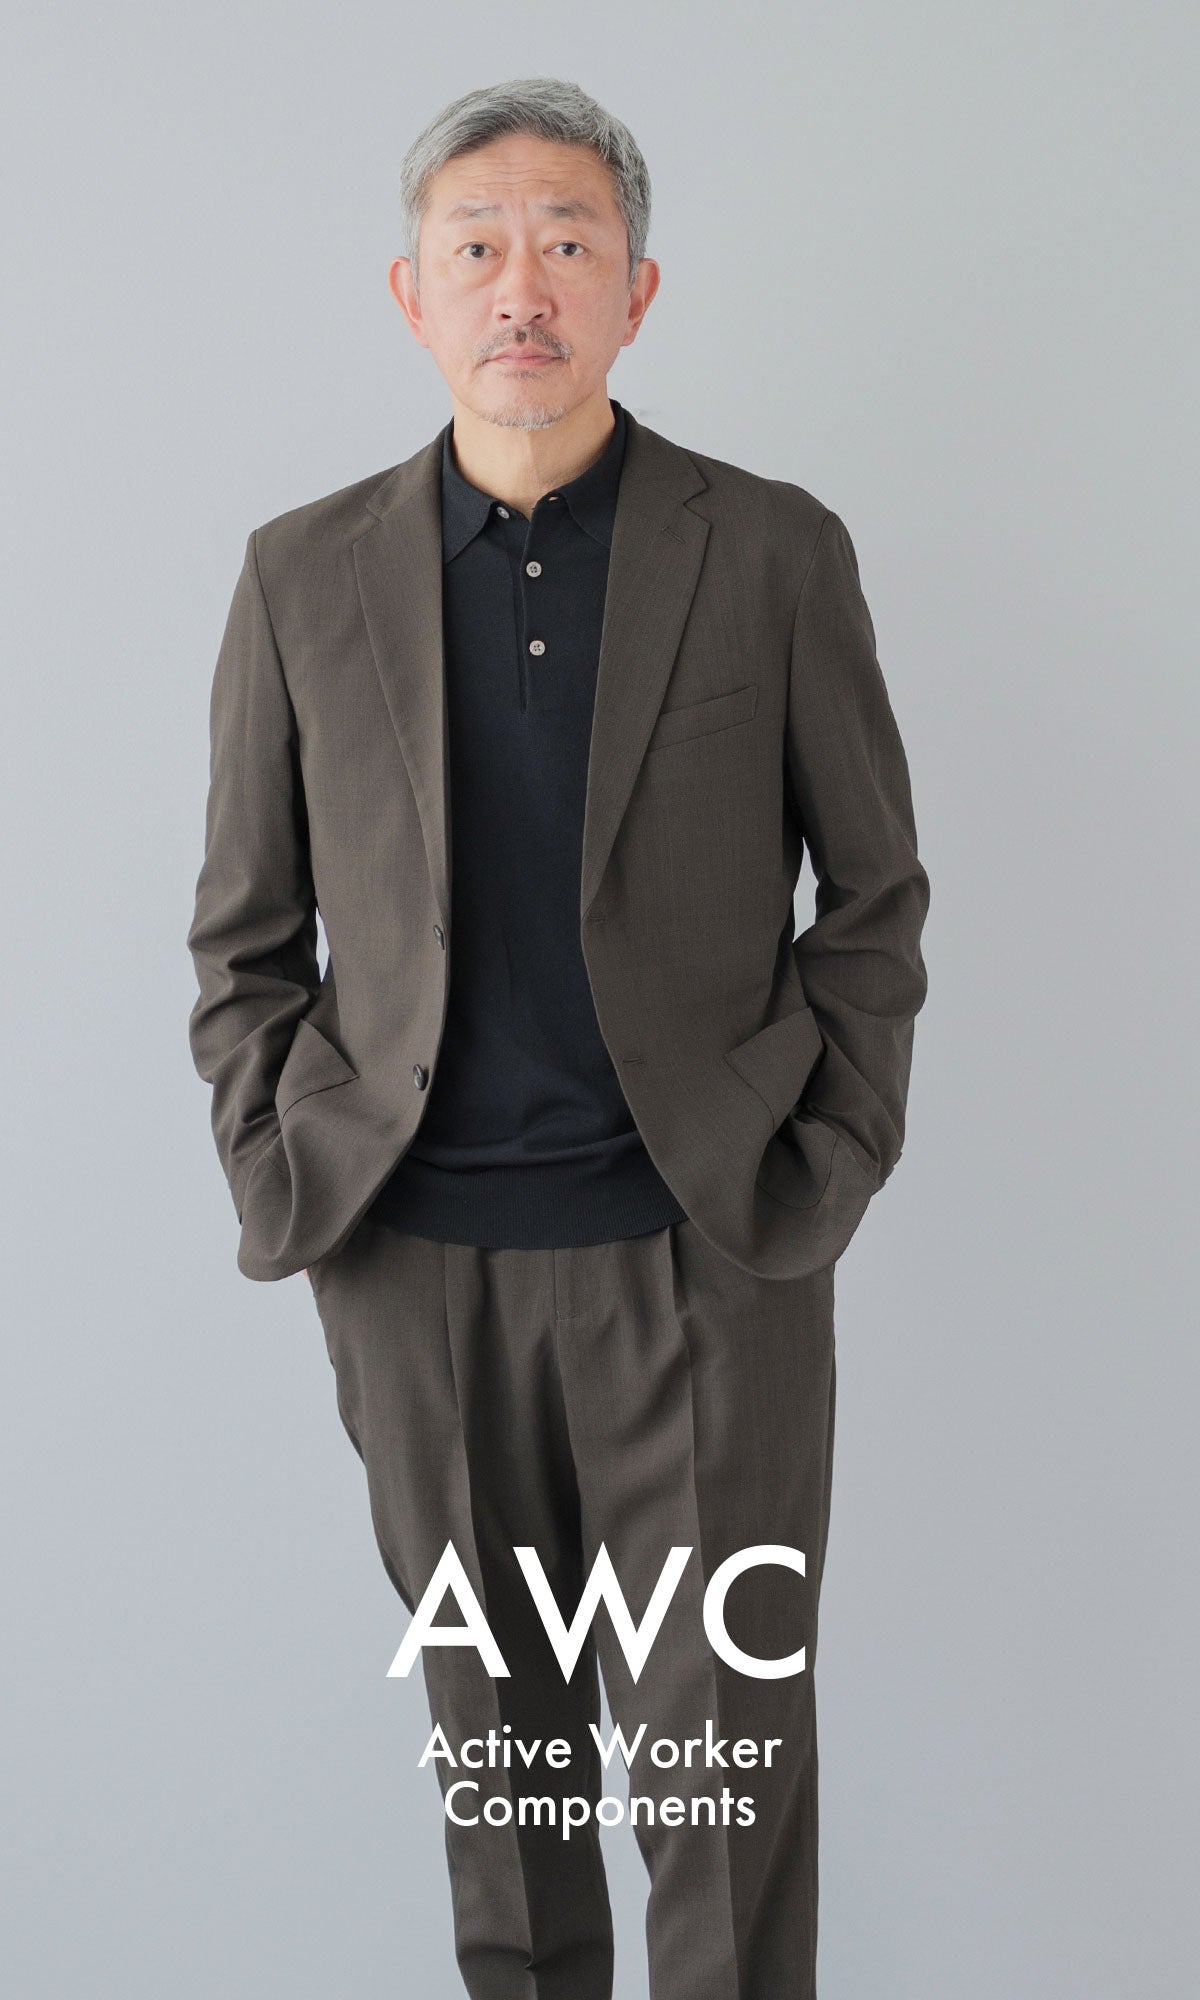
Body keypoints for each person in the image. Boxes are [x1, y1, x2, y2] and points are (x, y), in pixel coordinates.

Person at [186, 73, 930, 2000]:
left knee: (721, 1802)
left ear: (637, 289)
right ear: (414, 292)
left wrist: (825, 1162)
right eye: (480, 247)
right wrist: (287, 1164)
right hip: (418, 1279)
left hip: (708, 1268)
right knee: (505, 1810)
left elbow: (873, 896)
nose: (524, 284)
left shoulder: (770, 551)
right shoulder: (300, 575)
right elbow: (245, 936)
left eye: (569, 243)